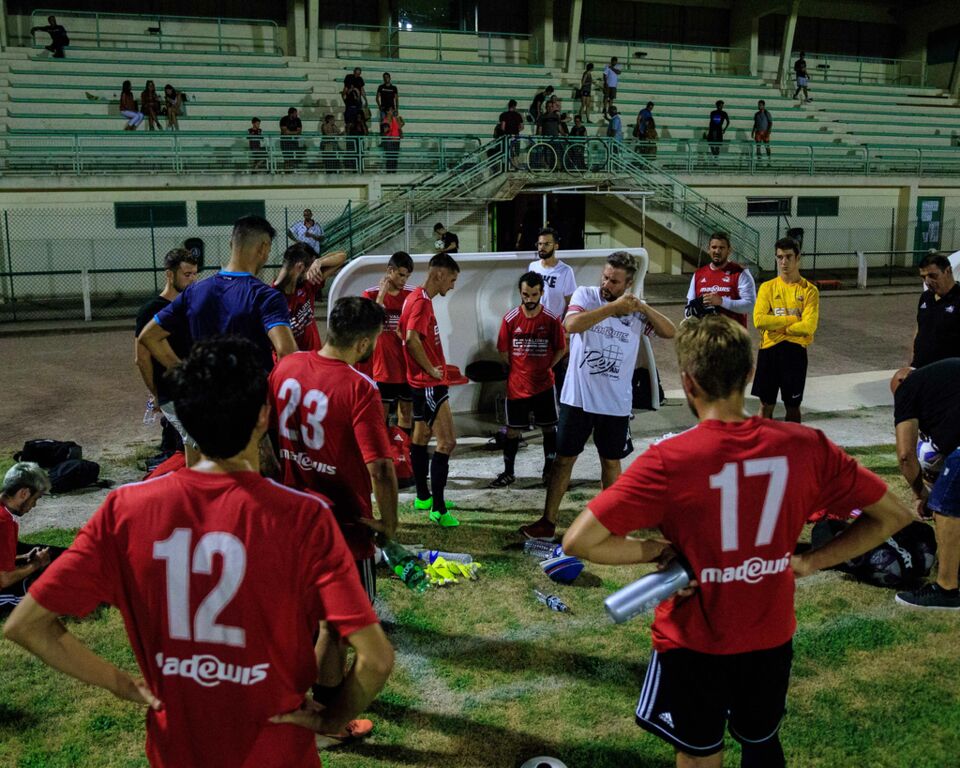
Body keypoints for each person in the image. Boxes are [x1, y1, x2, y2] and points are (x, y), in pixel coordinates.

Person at [4, 337, 395, 766]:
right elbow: (376, 659)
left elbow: (26, 625)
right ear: (264, 416)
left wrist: (122, 684)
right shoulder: (305, 517)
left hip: (178, 749)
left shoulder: (125, 510)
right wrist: (330, 720)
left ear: (186, 421)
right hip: (276, 749)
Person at [562, 315, 911, 768]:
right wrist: (811, 562)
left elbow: (579, 541)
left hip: (694, 642)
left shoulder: (668, 461)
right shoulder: (807, 446)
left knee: (699, 753)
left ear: (688, 382)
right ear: (749, 374)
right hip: (769, 636)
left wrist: (656, 551)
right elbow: (893, 515)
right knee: (761, 742)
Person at [269, 298, 399, 716]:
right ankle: (326, 715)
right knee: (337, 625)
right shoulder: (359, 387)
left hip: (291, 514)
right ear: (363, 343)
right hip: (342, 523)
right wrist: (389, 522)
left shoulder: (286, 367)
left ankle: (293, 696)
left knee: (301, 616)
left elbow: (265, 433)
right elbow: (380, 468)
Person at [521, 252, 676, 540]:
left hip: (614, 403)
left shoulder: (635, 312)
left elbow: (670, 331)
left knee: (611, 463)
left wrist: (641, 306)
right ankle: (547, 522)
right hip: (578, 398)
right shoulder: (586, 295)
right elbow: (571, 325)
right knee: (563, 460)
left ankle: (610, 525)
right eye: (605, 277)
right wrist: (613, 307)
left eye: (614, 281)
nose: (606, 284)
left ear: (628, 284)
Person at [139, 215, 297, 464]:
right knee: (255, 478)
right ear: (264, 248)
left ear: (232, 244)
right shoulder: (265, 296)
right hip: (247, 410)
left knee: (201, 473)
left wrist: (186, 373)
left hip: (204, 404)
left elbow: (149, 336)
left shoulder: (195, 291)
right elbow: (288, 353)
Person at [399, 253, 461, 527]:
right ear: (439, 274)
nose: (452, 285)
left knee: (421, 436)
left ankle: (423, 497)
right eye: (452, 279)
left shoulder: (413, 297)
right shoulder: (422, 302)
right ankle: (438, 509)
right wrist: (431, 370)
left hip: (418, 383)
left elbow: (403, 335)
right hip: (429, 385)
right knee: (447, 442)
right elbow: (411, 340)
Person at [891, 361, 960, 609]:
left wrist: (921, 493)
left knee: (945, 506)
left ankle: (946, 590)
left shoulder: (907, 388)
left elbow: (905, 455)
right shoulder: (946, 375)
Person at [491, 272, 567, 488]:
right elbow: (503, 350)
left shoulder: (551, 319)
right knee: (513, 430)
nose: (530, 299)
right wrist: (519, 368)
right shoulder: (510, 319)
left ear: (541, 293)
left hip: (544, 386)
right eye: (526, 294)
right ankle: (508, 472)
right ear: (520, 293)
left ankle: (548, 472)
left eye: (534, 294)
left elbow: (561, 348)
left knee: (549, 429)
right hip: (517, 387)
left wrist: (547, 367)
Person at [135, 247, 200, 457]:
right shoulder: (151, 310)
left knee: (194, 446)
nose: (193, 279)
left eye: (195, 274)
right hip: (172, 392)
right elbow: (141, 358)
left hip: (194, 389)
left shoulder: (193, 305)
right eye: (187, 274)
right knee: (198, 444)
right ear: (170, 275)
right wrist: (156, 393)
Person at [752, 237, 819, 424]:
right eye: (780, 257)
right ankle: (764, 439)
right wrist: (792, 320)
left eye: (789, 257)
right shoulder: (767, 288)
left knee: (793, 406)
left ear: (798, 258)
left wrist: (775, 325)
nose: (784, 262)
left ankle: (794, 440)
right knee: (766, 404)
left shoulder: (809, 291)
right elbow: (759, 320)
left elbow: (808, 326)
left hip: (795, 353)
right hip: (769, 351)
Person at [361, 251, 416, 432]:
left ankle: (404, 447)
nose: (404, 280)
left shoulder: (412, 294)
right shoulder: (370, 294)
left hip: (406, 364)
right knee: (381, 415)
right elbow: (369, 325)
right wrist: (381, 297)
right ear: (389, 270)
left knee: (406, 413)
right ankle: (384, 447)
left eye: (407, 276)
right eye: (401, 275)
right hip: (383, 367)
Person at [0, 463, 65, 614]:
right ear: (24, 493)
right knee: (49, 594)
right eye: (36, 498)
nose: (34, 505)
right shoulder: (3, 522)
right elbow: (4, 579)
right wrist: (36, 564)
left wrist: (23, 558)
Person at [272, 243, 346, 352]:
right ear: (300, 267)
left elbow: (342, 256)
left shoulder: (307, 284)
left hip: (313, 356)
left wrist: (319, 262)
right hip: (292, 360)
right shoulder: (272, 299)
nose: (313, 272)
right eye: (310, 269)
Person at [685, 232, 757, 328]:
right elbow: (688, 310)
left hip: (732, 334)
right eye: (714, 247)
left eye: (721, 248)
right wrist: (694, 310)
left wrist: (721, 301)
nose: (717, 251)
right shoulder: (698, 274)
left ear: (729, 250)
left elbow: (750, 306)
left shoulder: (740, 273)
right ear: (708, 249)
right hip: (705, 334)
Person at [911, 252, 960, 368]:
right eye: (924, 277)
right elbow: (919, 331)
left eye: (932, 276)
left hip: (946, 371)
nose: (927, 281)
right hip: (921, 368)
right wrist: (911, 364)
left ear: (948, 271)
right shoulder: (926, 297)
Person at [528, 226, 576, 318]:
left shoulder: (566, 271)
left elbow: (570, 302)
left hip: (555, 322)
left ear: (556, 246)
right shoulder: (533, 267)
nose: (542, 247)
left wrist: (563, 323)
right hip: (535, 320)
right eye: (540, 244)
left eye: (547, 244)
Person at [381, 107, 404, 173]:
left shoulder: (395, 119)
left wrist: (399, 120)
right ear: (387, 112)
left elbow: (399, 127)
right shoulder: (385, 121)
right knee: (390, 157)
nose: (393, 111)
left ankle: (393, 171)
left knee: (395, 157)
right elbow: (384, 132)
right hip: (389, 141)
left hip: (396, 140)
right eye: (391, 110)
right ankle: (389, 172)